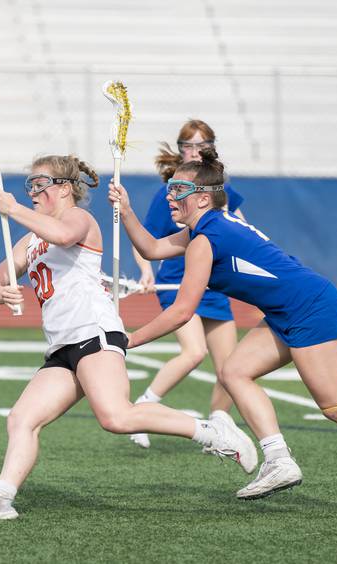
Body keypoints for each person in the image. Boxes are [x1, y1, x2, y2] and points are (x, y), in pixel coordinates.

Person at [108, 149, 337, 514]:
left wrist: (128, 340)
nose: (170, 197)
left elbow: (182, 311)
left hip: (308, 308)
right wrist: (126, 210)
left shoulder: (205, 239)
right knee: (234, 372)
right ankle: (279, 460)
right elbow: (153, 247)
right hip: (288, 309)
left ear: (203, 197)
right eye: (170, 188)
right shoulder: (205, 230)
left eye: (178, 190)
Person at [0, 154, 257, 520]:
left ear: (63, 188)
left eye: (38, 184)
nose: (31, 192)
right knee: (21, 418)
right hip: (62, 346)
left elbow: (62, 235)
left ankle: (213, 432)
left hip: (94, 331)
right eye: (28, 186)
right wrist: (0, 293)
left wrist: (12, 209)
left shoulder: (77, 218)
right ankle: (0, 498)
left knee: (116, 418)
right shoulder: (31, 239)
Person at [130, 119, 246, 451]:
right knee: (194, 352)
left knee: (231, 366)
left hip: (214, 282)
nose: (195, 152)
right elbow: (148, 242)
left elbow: (237, 222)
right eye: (188, 146)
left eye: (201, 146)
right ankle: (145, 406)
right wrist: (146, 272)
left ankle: (220, 427)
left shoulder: (218, 186)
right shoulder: (170, 189)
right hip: (178, 282)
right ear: (180, 150)